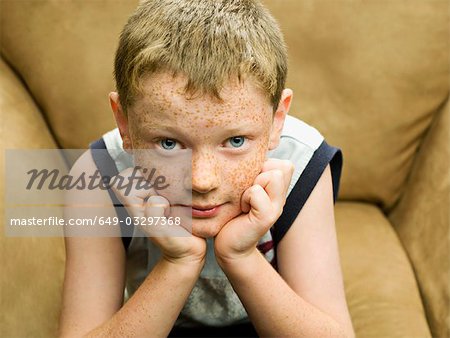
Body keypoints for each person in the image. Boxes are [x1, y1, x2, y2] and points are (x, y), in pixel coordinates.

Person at [59, 0, 355, 337]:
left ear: (277, 122)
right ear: (124, 123)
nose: (202, 180)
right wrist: (178, 262)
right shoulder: (100, 175)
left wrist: (241, 256)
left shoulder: (300, 162)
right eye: (169, 144)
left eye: (236, 141)